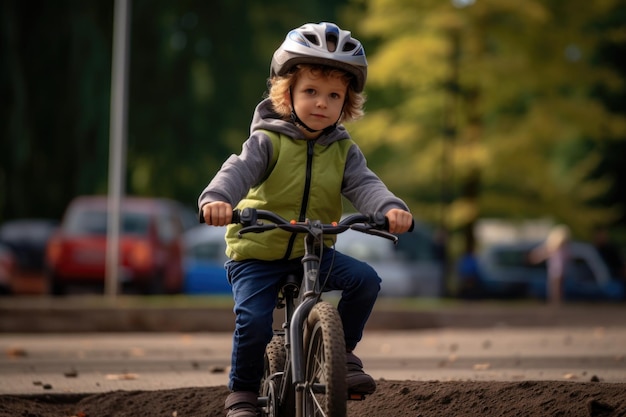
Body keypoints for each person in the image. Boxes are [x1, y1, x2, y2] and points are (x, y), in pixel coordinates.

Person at [197, 22, 413, 417]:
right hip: (257, 249)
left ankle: (341, 355)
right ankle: (242, 393)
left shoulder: (343, 150)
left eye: (333, 95)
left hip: (312, 249)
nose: (321, 103)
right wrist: (217, 199)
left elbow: (365, 185)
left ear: (346, 103)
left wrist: (388, 208)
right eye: (310, 92)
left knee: (365, 280)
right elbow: (238, 171)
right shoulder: (268, 140)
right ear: (287, 94)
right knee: (254, 321)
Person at [529, 225, 571, 306]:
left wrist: (536, 258)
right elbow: (543, 253)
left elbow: (543, 253)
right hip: (555, 270)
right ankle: (556, 301)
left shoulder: (563, 248)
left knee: (557, 286)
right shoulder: (556, 248)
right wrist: (535, 258)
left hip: (558, 270)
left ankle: (557, 301)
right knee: (556, 286)